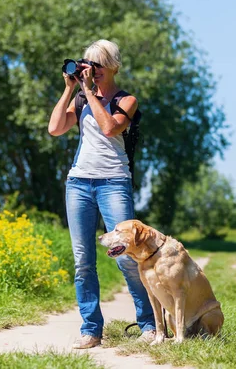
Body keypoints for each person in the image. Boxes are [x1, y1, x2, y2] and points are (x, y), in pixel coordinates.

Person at [48, 39, 155, 349]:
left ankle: (148, 324)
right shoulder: (81, 98)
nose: (90, 70)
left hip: (114, 182)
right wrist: (70, 89)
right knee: (83, 261)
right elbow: (55, 129)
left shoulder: (126, 100)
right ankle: (91, 329)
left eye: (96, 64)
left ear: (113, 66)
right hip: (79, 183)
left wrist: (91, 94)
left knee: (128, 257)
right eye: (87, 63)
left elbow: (110, 128)